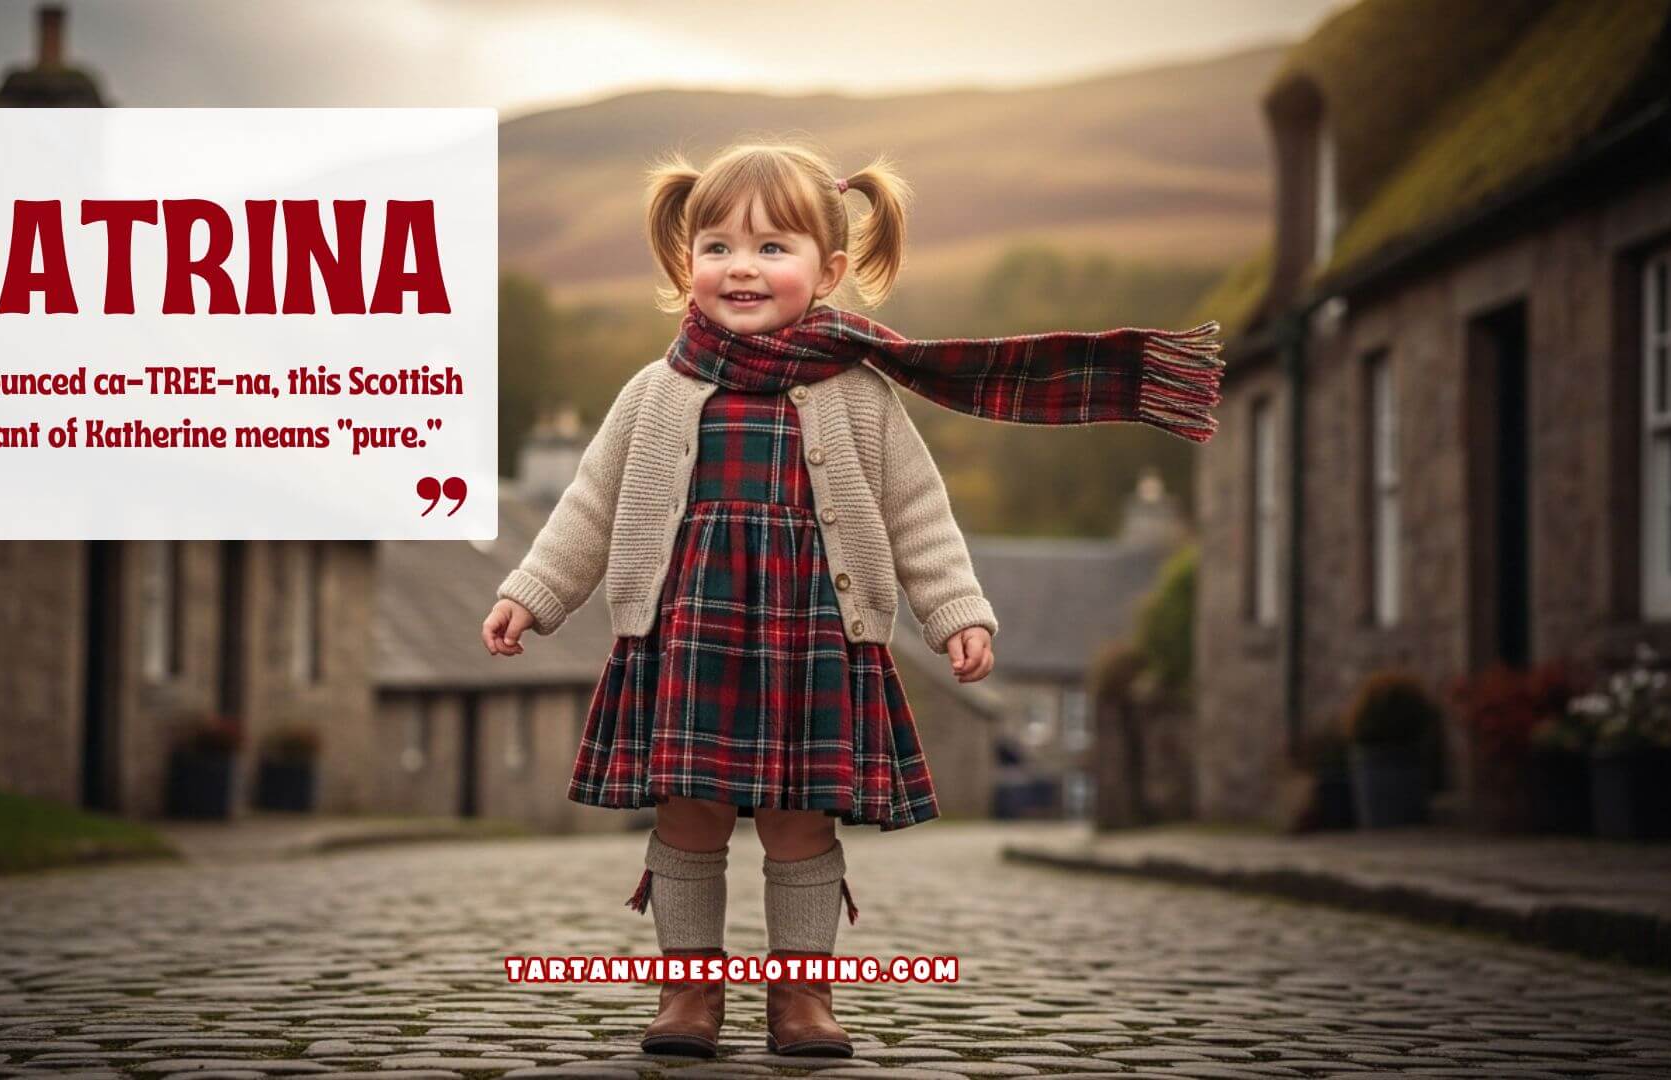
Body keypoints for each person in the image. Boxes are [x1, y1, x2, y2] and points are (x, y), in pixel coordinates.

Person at [481, 142, 1225, 1058]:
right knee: (687, 816)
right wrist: (532, 593)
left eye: (771, 249)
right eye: (716, 247)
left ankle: (802, 999)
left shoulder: (860, 394)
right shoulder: (656, 391)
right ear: (686, 263)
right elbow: (588, 506)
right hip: (688, 640)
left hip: (813, 640)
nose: (740, 267)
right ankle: (689, 995)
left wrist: (958, 612)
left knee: (800, 822)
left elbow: (919, 514)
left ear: (828, 271)